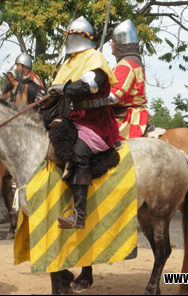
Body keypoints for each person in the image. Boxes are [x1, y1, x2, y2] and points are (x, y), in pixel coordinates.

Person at [47, 16, 119, 229]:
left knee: (80, 152)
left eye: (69, 35)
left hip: (96, 122)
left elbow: (90, 87)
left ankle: (79, 215)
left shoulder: (94, 57)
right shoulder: (69, 62)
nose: (67, 38)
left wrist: (61, 89)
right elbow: (57, 88)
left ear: (77, 36)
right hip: (74, 118)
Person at [107, 20, 149, 140]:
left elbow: (114, 96)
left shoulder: (126, 65)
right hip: (126, 114)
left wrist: (91, 94)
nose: (110, 44)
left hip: (126, 118)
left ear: (121, 44)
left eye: (114, 41)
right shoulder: (131, 63)